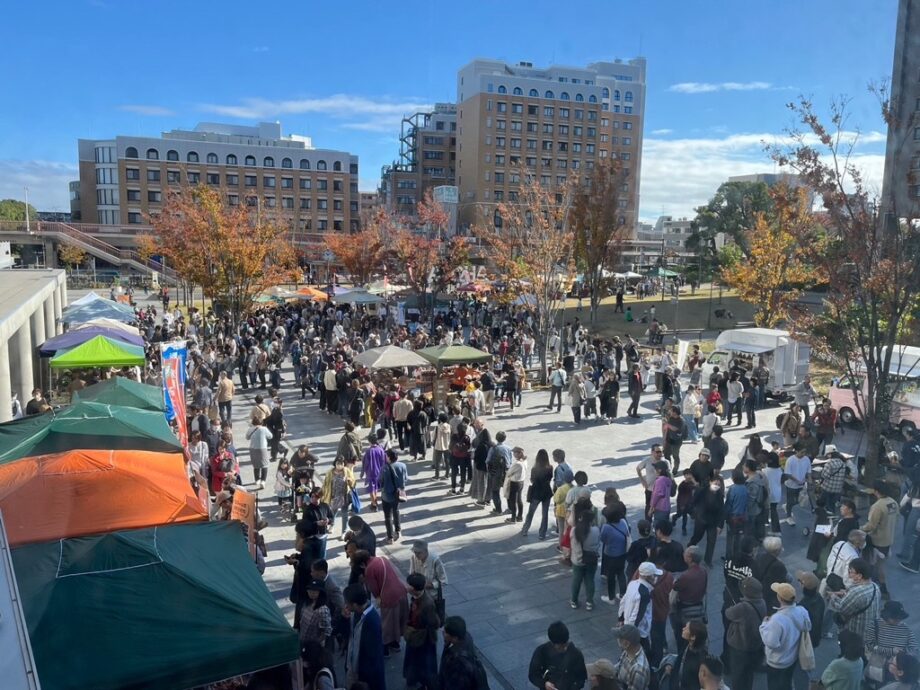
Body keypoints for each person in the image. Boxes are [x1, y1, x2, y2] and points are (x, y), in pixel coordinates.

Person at [352, 550, 408, 657]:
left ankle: (385, 649)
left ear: (362, 564)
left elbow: (374, 588)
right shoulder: (382, 559)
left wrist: (378, 596)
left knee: (386, 624)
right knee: (397, 620)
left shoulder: (369, 569)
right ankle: (395, 644)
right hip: (401, 592)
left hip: (389, 597)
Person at [759, 582, 812, 690]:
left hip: (777, 662)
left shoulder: (777, 620)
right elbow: (808, 627)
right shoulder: (802, 611)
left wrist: (763, 625)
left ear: (780, 598)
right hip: (792, 658)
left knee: (774, 686)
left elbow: (772, 643)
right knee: (786, 683)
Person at [725, 577, 766, 690]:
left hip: (740, 646)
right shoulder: (762, 602)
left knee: (738, 675)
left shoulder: (743, 607)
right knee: (749, 674)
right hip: (755, 644)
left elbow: (728, 613)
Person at [343, 583, 386, 690]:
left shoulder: (372, 621)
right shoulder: (355, 613)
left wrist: (364, 679)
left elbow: (372, 656)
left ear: (356, 605)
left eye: (347, 603)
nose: (345, 606)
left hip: (366, 677)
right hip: (353, 668)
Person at [864, 601, 917, 685]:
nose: (898, 621)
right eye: (895, 618)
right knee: (880, 685)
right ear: (886, 616)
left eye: (900, 618)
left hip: (898, 668)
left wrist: (902, 656)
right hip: (880, 667)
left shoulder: (905, 628)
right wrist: (891, 651)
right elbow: (870, 645)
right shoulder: (875, 625)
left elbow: (913, 647)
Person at [403, 572, 440, 690]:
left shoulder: (428, 604)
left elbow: (434, 623)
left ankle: (427, 684)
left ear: (413, 589)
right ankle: (414, 678)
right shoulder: (416, 597)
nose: (406, 586)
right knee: (414, 660)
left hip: (424, 639)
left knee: (425, 664)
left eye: (408, 585)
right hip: (415, 636)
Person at [862, 481, 899, 599]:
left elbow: (871, 525)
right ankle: (881, 587)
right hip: (888, 538)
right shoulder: (893, 502)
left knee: (874, 565)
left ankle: (878, 589)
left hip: (877, 540)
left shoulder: (877, 506)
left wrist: (860, 529)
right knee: (881, 564)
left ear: (876, 491)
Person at [670, 547, 708, 659]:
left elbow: (675, 587)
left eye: (685, 554)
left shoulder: (685, 576)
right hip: (698, 608)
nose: (683, 555)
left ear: (690, 558)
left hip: (684, 610)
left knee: (680, 635)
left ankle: (683, 656)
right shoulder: (703, 571)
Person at [830, 558, 881, 640]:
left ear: (859, 576)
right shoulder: (875, 586)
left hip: (856, 632)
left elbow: (842, 608)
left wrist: (833, 597)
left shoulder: (856, 592)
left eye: (850, 572)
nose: (849, 574)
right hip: (872, 630)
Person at [528, 621, 588, 690]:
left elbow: (581, 678)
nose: (564, 648)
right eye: (560, 646)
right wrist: (544, 683)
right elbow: (533, 674)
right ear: (552, 643)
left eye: (565, 644)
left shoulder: (576, 653)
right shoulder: (542, 651)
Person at [619, 562, 658, 655]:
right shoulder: (644, 593)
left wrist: (621, 618)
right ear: (648, 576)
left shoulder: (632, 584)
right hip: (639, 631)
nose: (656, 577)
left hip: (629, 627)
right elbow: (637, 615)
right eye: (654, 575)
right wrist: (631, 633)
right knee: (643, 654)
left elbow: (623, 602)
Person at [439, 616, 487, 690]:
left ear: (455, 637)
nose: (442, 632)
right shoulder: (465, 637)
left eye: (445, 632)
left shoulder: (458, 661)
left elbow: (455, 685)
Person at [570, 498, 600, 611]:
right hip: (591, 559)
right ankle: (589, 602)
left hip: (577, 560)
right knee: (590, 580)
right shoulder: (596, 530)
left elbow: (573, 545)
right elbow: (597, 544)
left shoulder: (574, 530)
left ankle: (574, 601)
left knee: (576, 580)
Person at [688, 474, 723, 567]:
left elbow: (721, 511)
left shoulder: (719, 494)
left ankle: (708, 560)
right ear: (710, 482)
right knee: (696, 538)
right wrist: (694, 514)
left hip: (712, 522)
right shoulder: (701, 491)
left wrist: (720, 525)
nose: (717, 486)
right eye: (715, 483)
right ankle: (688, 552)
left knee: (712, 541)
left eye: (719, 485)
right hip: (701, 520)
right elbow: (692, 502)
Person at [600, 503, 630, 604]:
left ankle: (611, 597)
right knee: (621, 573)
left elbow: (603, 539)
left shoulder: (606, 527)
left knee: (611, 576)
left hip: (611, 554)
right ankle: (623, 595)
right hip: (622, 553)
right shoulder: (623, 522)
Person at [522, 448, 554, 539]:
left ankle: (525, 530)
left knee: (531, 512)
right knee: (545, 514)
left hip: (536, 492)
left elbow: (532, 480)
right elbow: (550, 478)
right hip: (547, 492)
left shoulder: (535, 468)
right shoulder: (550, 467)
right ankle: (542, 534)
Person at [753, 537, 789, 612]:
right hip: (771, 597)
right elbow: (785, 581)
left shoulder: (759, 556)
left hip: (759, 592)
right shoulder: (779, 565)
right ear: (777, 551)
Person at [611, 624, 651, 690]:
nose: (617, 639)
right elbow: (618, 667)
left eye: (620, 638)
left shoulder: (638, 670)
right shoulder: (628, 651)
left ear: (627, 644)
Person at [380, 448, 407, 544]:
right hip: (398, 494)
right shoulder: (402, 465)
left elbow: (381, 482)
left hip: (386, 495)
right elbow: (405, 479)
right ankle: (398, 530)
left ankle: (390, 537)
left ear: (389, 457)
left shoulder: (385, 468)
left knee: (387, 516)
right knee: (396, 511)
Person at [782, 445, 811, 527]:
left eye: (805, 452)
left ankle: (787, 505)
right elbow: (787, 473)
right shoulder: (790, 460)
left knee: (799, 501)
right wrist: (797, 481)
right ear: (796, 451)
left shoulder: (806, 459)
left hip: (801, 485)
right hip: (791, 485)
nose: (804, 454)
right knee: (791, 501)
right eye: (802, 452)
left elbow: (809, 471)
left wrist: (809, 479)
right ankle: (788, 516)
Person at [300, 579, 333, 650]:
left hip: (315, 647)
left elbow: (326, 631)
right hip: (303, 642)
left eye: (315, 591)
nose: (311, 593)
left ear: (321, 592)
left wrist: (316, 644)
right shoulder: (306, 604)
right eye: (310, 590)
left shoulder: (323, 610)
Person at [486, 431, 512, 513]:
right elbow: (510, 461)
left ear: (496, 438)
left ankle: (498, 509)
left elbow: (487, 461)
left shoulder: (493, 448)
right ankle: (511, 508)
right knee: (508, 491)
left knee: (495, 491)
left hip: (495, 472)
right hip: (507, 472)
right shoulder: (508, 448)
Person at [245, 418, 272, 490]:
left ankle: (257, 479)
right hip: (262, 448)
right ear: (261, 423)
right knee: (265, 464)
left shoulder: (251, 429)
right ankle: (263, 481)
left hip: (253, 449)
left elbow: (247, 437)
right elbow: (270, 436)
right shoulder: (264, 429)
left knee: (256, 464)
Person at [361, 434, 386, 512]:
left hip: (371, 473)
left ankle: (374, 504)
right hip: (380, 472)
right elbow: (384, 461)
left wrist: (362, 472)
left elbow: (365, 463)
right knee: (377, 488)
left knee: (372, 489)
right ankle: (375, 502)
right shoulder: (381, 449)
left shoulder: (369, 451)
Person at [505, 446, 528, 523]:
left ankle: (513, 518)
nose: (513, 454)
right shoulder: (524, 461)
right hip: (521, 482)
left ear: (519, 453)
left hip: (514, 483)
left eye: (514, 452)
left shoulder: (517, 463)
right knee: (519, 500)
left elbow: (509, 473)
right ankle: (520, 517)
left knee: (513, 501)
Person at [432, 412, 452, 481]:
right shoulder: (449, 426)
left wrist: (433, 442)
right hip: (447, 445)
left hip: (439, 446)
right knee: (447, 461)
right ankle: (447, 475)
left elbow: (433, 436)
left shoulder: (437, 427)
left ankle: (437, 476)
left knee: (437, 461)